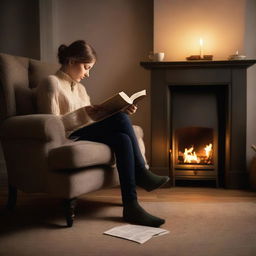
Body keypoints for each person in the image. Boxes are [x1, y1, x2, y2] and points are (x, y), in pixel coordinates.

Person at [36, 40, 169, 227]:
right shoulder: (51, 83)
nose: (87, 73)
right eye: (86, 67)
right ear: (72, 60)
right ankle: (142, 173)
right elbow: (50, 124)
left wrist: (113, 111)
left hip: (85, 131)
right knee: (122, 122)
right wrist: (84, 114)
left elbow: (91, 122)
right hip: (69, 136)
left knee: (122, 136)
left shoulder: (80, 88)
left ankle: (131, 206)